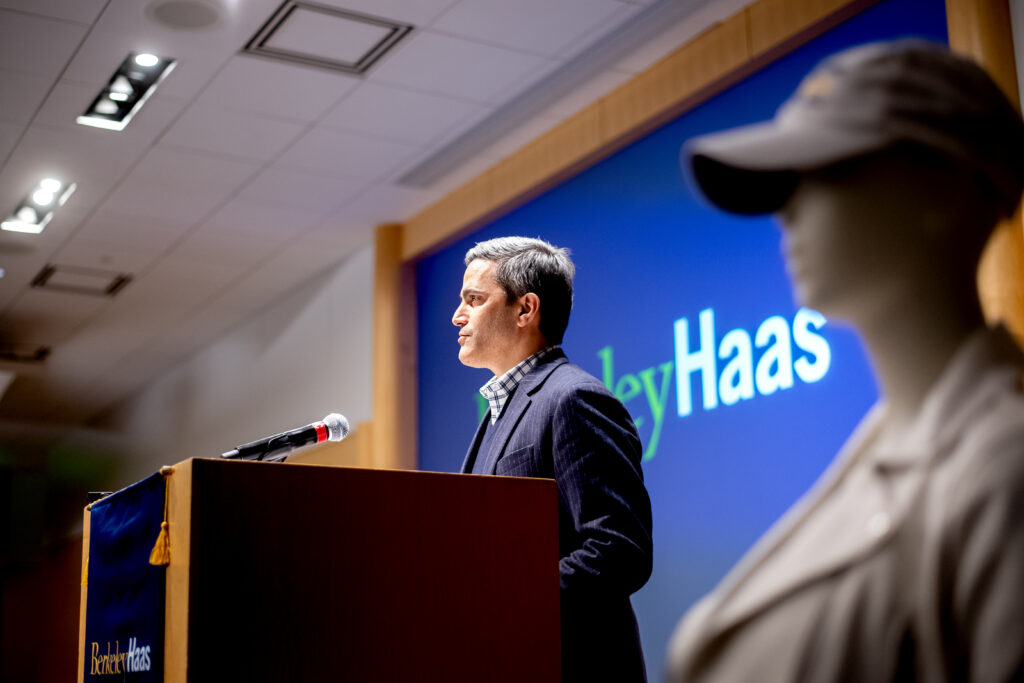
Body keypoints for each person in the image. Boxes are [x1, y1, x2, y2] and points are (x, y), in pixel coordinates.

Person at [666, 40, 1024, 682]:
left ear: (940, 187)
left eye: (824, 169)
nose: (787, 211)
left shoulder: (1005, 466)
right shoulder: (889, 458)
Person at [453, 236, 653, 682]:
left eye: (475, 299)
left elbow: (620, 551)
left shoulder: (574, 398)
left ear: (526, 309)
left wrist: (505, 600)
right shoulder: (496, 413)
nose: (458, 315)